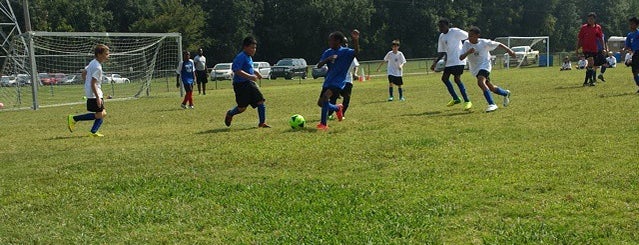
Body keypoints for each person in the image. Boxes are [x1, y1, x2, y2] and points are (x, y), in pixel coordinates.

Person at [460, 26, 515, 113]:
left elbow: (498, 44)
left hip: (485, 65)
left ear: (478, 35)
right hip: (475, 69)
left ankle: (492, 104)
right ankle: (505, 93)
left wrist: (509, 50)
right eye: (469, 36)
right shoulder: (466, 44)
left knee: (480, 82)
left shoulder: (484, 42)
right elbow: (461, 57)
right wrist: (468, 52)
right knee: (491, 88)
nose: (469, 38)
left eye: (472, 36)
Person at [316, 30, 360, 130]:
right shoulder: (328, 52)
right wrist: (328, 59)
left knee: (326, 97)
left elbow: (356, 52)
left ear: (338, 41)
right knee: (321, 103)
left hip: (338, 82)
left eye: (331, 41)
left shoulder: (345, 52)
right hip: (328, 80)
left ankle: (323, 124)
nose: (329, 42)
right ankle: (337, 108)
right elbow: (319, 65)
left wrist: (356, 40)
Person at [224, 36, 270, 128]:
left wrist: (257, 73)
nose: (254, 50)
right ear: (245, 47)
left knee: (260, 101)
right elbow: (236, 70)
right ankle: (230, 113)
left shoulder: (249, 57)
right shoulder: (240, 57)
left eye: (255, 48)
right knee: (242, 108)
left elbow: (250, 68)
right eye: (252, 47)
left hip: (249, 83)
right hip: (240, 85)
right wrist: (250, 76)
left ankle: (262, 123)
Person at [67, 44, 110, 137]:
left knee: (103, 113)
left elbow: (84, 73)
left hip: (91, 92)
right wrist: (98, 97)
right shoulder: (98, 67)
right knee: (100, 115)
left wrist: (86, 85)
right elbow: (93, 83)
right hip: (95, 93)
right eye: (106, 54)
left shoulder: (93, 62)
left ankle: (93, 131)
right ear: (99, 54)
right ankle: (74, 119)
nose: (108, 56)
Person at [430, 18, 472, 110]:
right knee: (444, 78)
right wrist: (435, 63)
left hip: (458, 60)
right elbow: (441, 52)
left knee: (457, 79)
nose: (440, 28)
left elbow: (469, 36)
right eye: (439, 26)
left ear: (447, 25)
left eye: (442, 26)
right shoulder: (441, 36)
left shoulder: (455, 31)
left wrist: (467, 50)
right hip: (449, 62)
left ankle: (467, 100)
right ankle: (456, 98)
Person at [329, 37, 360, 120]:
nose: (345, 45)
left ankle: (342, 114)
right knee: (333, 97)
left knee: (347, 98)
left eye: (346, 43)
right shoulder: (334, 54)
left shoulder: (350, 54)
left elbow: (356, 65)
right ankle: (330, 114)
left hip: (348, 80)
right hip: (337, 80)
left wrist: (355, 73)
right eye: (343, 43)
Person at [577, 12, 607, 86]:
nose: (590, 20)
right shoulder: (584, 28)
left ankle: (586, 81)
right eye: (589, 19)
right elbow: (580, 39)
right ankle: (591, 81)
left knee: (591, 65)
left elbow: (601, 39)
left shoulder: (598, 28)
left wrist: (603, 48)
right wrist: (577, 49)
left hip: (595, 49)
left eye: (591, 19)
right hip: (586, 49)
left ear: (594, 19)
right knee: (591, 62)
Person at [624, 16, 639, 93]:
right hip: (635, 54)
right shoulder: (629, 35)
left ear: (636, 25)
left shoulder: (638, 33)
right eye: (630, 24)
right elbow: (627, 46)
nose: (630, 25)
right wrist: (624, 49)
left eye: (632, 24)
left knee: (636, 70)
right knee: (634, 71)